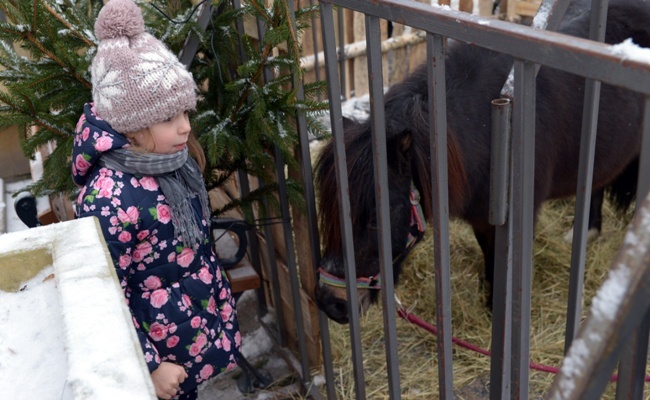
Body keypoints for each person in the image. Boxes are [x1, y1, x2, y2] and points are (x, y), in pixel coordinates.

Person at [71, 0, 240, 398]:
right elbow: (106, 292)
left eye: (185, 111)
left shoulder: (174, 162)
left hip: (189, 330)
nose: (185, 126)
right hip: (157, 353)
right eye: (169, 118)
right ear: (132, 128)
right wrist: (148, 365)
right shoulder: (110, 199)